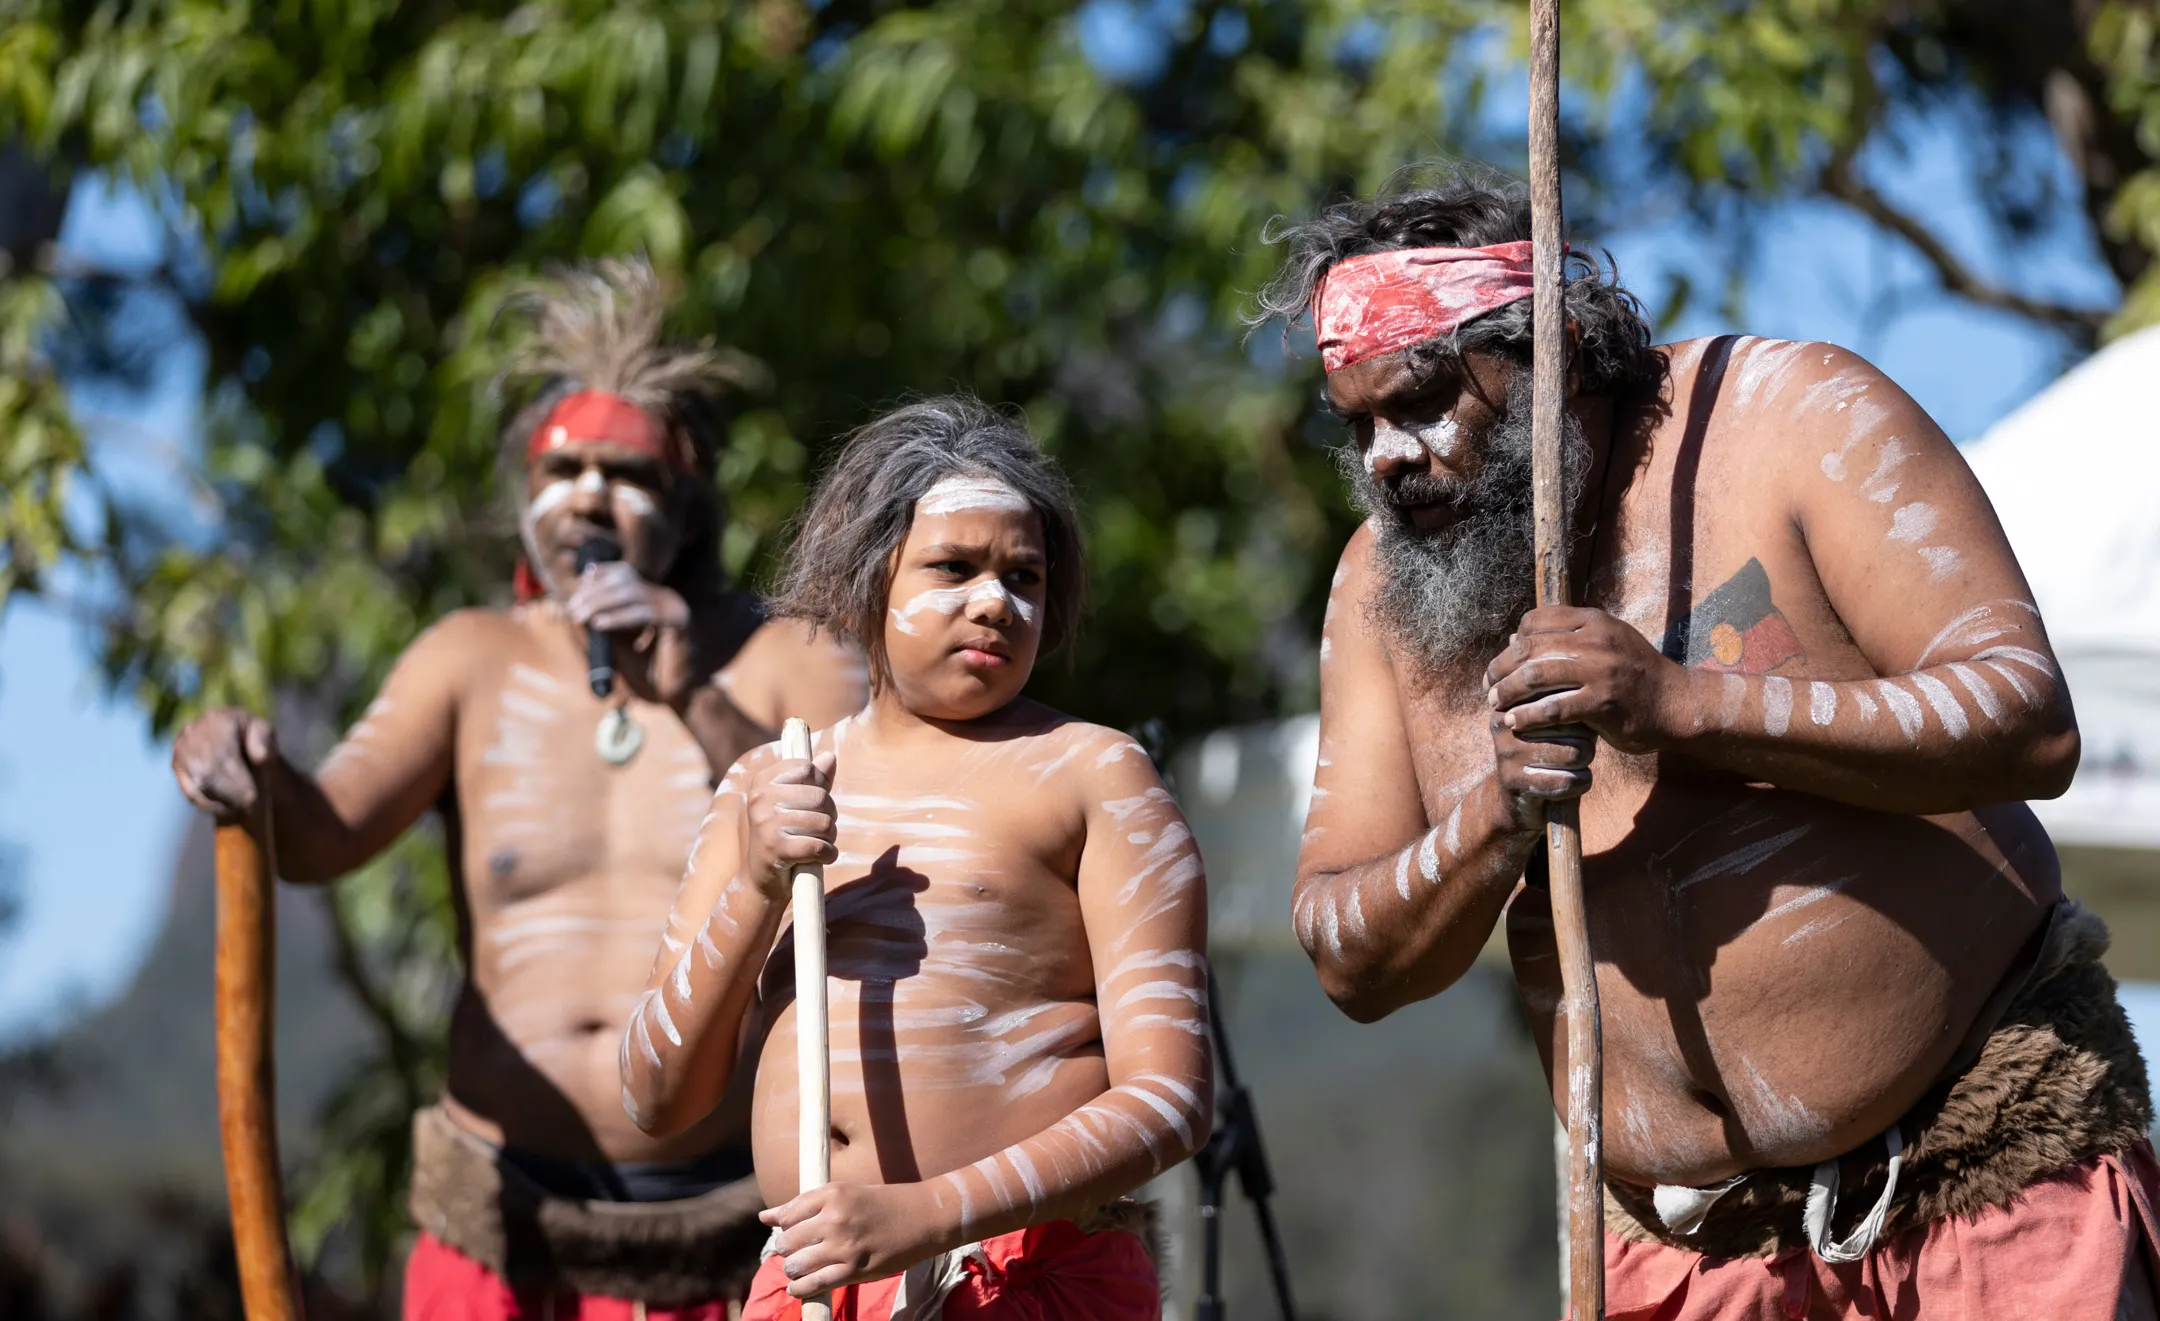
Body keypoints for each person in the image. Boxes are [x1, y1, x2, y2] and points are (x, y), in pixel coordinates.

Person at [1256, 166, 2157, 1319]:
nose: (1388, 455)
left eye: (1425, 400)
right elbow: (1350, 958)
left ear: (1552, 352)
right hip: (1686, 1261)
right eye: (1359, 424)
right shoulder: (1379, 592)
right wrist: (1493, 815)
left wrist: (1685, 704)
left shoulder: (1785, 417)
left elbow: (2029, 720)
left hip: (1986, 1189)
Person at [171, 259, 867, 1319]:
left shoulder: (784, 658)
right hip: (498, 1224)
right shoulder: (469, 659)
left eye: (624, 473)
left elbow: (869, 841)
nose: (587, 494)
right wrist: (250, 768)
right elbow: (318, 836)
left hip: (728, 1229)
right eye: (561, 469)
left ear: (686, 511)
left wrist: (693, 695)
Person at [620, 396, 1211, 1320]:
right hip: (814, 1282)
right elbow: (657, 1095)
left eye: (1024, 575)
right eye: (954, 566)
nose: (996, 601)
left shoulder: (1093, 774)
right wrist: (757, 885)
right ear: (868, 577)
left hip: (1024, 1277)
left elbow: (1171, 1099)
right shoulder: (766, 786)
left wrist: (925, 1215)